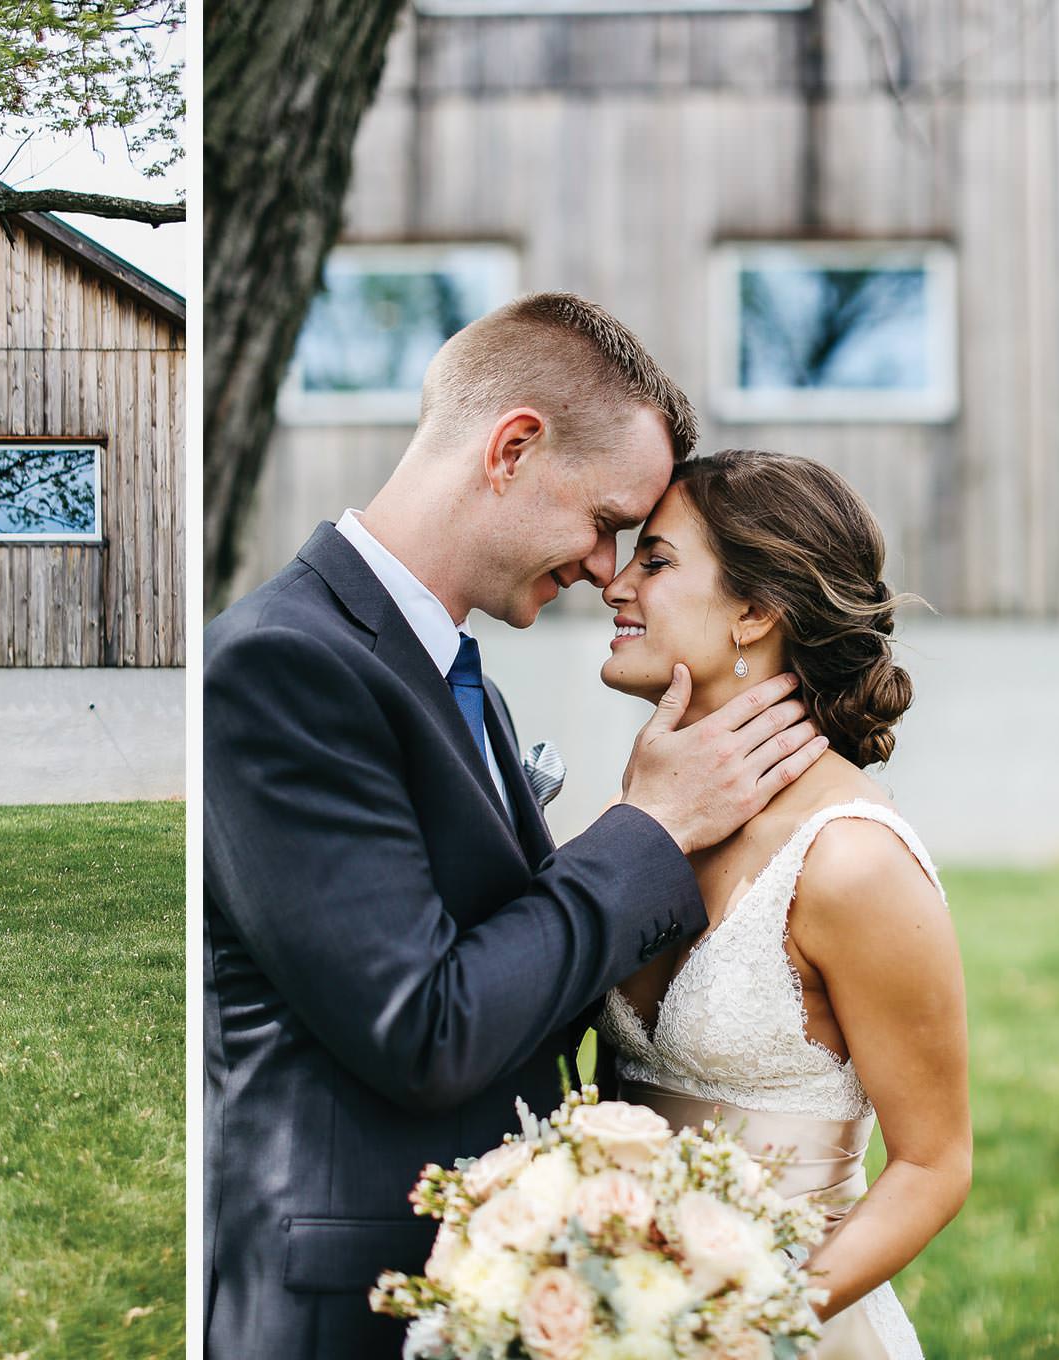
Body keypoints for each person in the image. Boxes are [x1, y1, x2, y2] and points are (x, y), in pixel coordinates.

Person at [202, 293, 826, 1360]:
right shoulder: (282, 665)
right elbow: (425, 1025)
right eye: (604, 522)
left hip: (491, 1289)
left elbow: (508, 972)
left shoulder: (462, 681)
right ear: (514, 448)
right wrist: (647, 828)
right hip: (345, 1308)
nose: (602, 570)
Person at [597, 449, 970, 1358]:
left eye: (655, 560)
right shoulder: (648, 808)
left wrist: (747, 1324)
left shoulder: (849, 861)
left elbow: (933, 1164)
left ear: (756, 613)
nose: (613, 585)